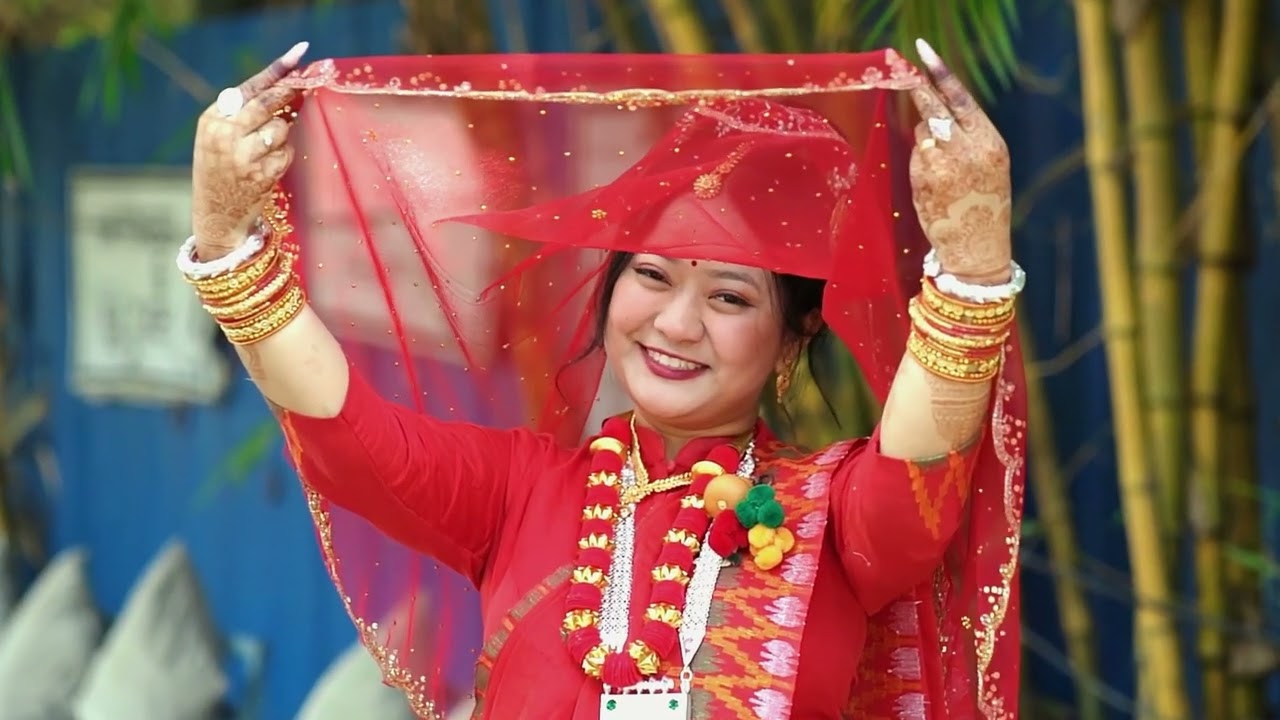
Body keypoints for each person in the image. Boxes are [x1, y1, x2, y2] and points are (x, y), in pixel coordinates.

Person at [180, 42, 1026, 720]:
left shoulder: (835, 517)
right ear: (611, 285)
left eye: (728, 297)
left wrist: (975, 260)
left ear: (792, 336)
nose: (676, 323)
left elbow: (926, 453)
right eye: (652, 277)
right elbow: (343, 428)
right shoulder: (517, 493)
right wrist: (225, 246)